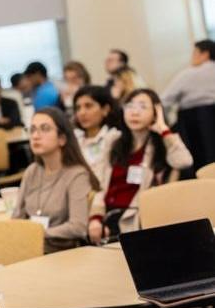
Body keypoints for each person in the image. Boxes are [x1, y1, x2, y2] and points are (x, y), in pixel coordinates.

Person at [88, 90, 193, 241]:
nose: (134, 112)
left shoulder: (160, 145)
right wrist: (95, 218)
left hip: (136, 220)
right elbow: (100, 186)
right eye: (130, 106)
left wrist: (163, 129)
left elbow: (184, 161)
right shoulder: (113, 141)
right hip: (106, 218)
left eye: (143, 107)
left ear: (156, 113)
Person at [12, 107, 100, 253]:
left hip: (62, 254)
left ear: (62, 139)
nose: (35, 136)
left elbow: (78, 227)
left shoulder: (77, 174)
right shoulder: (32, 171)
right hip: (30, 249)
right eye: (32, 129)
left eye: (44, 129)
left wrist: (37, 233)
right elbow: (17, 217)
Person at [162, 40, 215, 176]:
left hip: (195, 122)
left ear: (204, 54)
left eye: (194, 53)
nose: (192, 57)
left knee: (201, 160)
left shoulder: (189, 74)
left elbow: (166, 99)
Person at [73, 85, 121, 182]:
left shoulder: (115, 138)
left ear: (105, 110)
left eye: (88, 106)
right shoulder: (74, 139)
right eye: (78, 108)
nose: (82, 113)